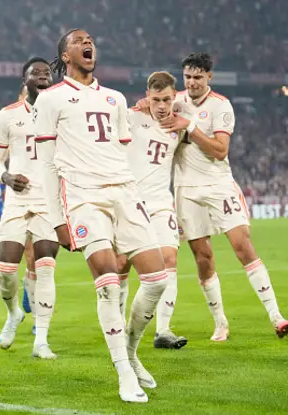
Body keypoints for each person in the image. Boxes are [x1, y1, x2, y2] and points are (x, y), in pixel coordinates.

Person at [34, 29, 167, 403]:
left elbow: (126, 153)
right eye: (78, 40)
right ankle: (124, 373)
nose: (87, 43)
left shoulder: (115, 98)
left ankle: (130, 350)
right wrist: (57, 218)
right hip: (83, 196)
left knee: (157, 280)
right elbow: (46, 165)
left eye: (90, 39)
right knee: (108, 282)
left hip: (125, 191)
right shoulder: (50, 99)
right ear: (65, 54)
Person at [138, 52, 288, 340]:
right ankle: (220, 322)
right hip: (185, 190)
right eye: (188, 76)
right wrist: (143, 104)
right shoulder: (175, 100)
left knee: (242, 245)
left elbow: (220, 150)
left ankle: (276, 316)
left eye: (198, 77)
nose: (192, 82)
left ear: (210, 77)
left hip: (218, 184)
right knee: (203, 257)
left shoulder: (221, 106)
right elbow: (152, 108)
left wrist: (190, 127)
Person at [0, 57, 61, 358]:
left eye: (47, 73)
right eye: (37, 73)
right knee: (6, 271)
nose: (43, 76)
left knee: (45, 268)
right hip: (17, 200)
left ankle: (41, 340)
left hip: (48, 200)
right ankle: (14, 313)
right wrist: (5, 176)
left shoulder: (62, 113)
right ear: (25, 80)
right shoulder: (7, 116)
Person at [116, 71, 187, 349]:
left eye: (167, 99)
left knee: (169, 259)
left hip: (161, 203)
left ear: (174, 97)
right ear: (147, 96)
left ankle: (164, 330)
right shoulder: (132, 118)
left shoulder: (179, 127)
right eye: (156, 99)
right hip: (130, 202)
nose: (161, 105)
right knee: (122, 264)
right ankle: (119, 327)